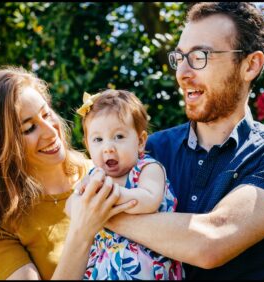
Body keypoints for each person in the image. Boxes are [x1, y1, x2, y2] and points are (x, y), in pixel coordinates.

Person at [98, 2, 264, 280]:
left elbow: (211, 241)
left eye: (200, 56)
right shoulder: (150, 150)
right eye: (179, 58)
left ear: (250, 65)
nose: (182, 73)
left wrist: (101, 213)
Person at [0, 66, 136, 280]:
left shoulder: (110, 172)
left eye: (46, 114)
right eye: (29, 128)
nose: (51, 131)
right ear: (0, 147)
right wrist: (83, 231)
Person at [66, 89, 182, 280]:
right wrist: (82, 195)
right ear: (88, 146)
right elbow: (71, 207)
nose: (108, 147)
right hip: (103, 268)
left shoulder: (148, 169)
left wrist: (112, 194)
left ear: (140, 142)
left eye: (119, 137)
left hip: (146, 265)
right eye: (98, 140)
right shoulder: (95, 175)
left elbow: (149, 200)